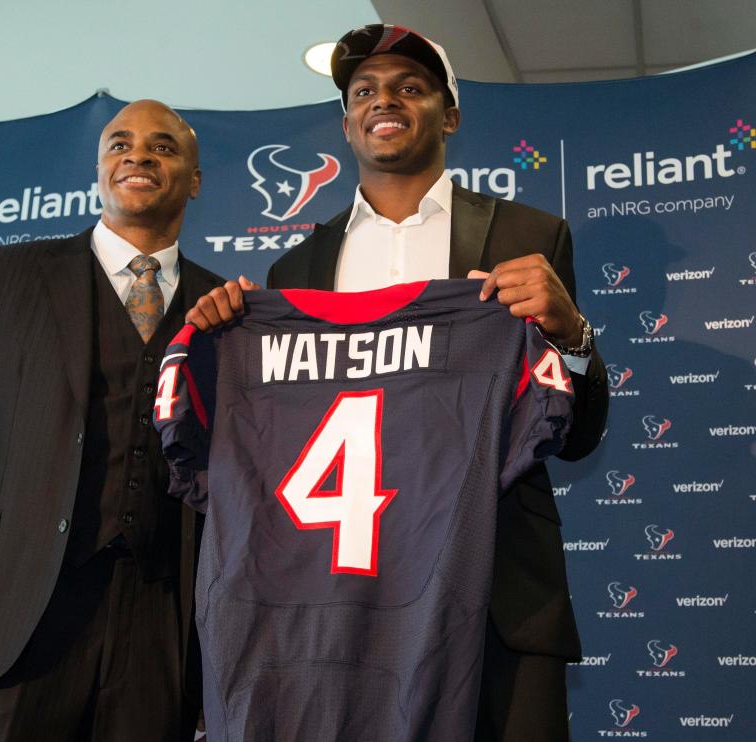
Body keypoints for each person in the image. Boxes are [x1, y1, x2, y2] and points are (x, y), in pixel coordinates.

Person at [186, 24, 608, 742]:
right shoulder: (295, 270)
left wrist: (572, 336)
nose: (386, 101)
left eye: (411, 87)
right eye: (365, 91)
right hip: (340, 602)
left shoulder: (529, 235)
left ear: (448, 115)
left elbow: (579, 435)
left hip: (498, 592)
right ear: (347, 122)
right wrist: (221, 330)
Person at [0, 99, 222, 741]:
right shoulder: (6, 278)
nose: (138, 154)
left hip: (161, 636)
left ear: (194, 179)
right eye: (119, 144)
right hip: (6, 619)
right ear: (99, 171)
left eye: (163, 147)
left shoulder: (225, 309)